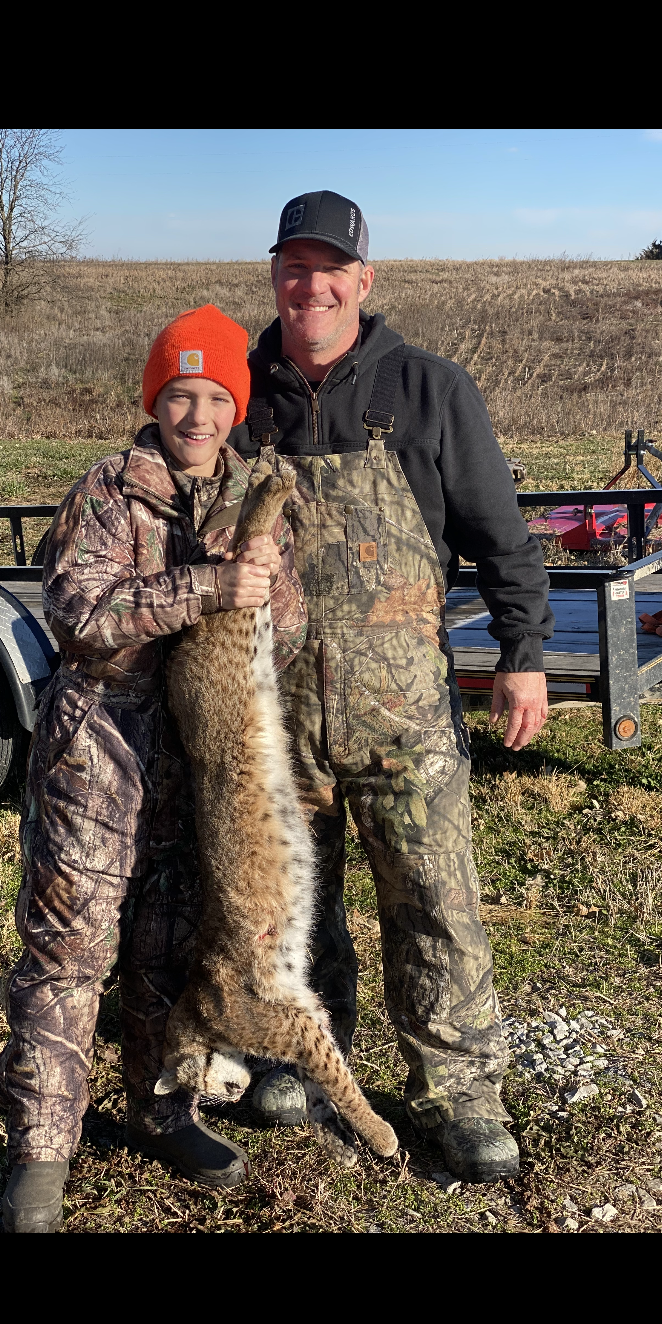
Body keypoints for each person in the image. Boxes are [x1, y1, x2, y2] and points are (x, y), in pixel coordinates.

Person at [229, 191, 554, 1181]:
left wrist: (523, 652)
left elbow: (502, 535)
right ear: (274, 275)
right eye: (294, 266)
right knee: (291, 903)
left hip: (403, 716)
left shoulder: (429, 389)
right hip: (275, 714)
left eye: (331, 269)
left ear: (363, 280)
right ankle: (300, 1060)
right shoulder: (236, 394)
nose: (311, 286)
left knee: (435, 905)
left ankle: (458, 1094)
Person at [0, 304, 306, 1231]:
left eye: (215, 398)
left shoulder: (256, 498)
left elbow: (286, 637)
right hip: (99, 752)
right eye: (179, 395)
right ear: (152, 401)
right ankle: (40, 1157)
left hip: (200, 765)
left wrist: (267, 583)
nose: (197, 416)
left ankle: (162, 1112)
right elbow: (79, 615)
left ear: (236, 407)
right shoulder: (107, 490)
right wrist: (206, 586)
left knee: (168, 949)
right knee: (70, 954)